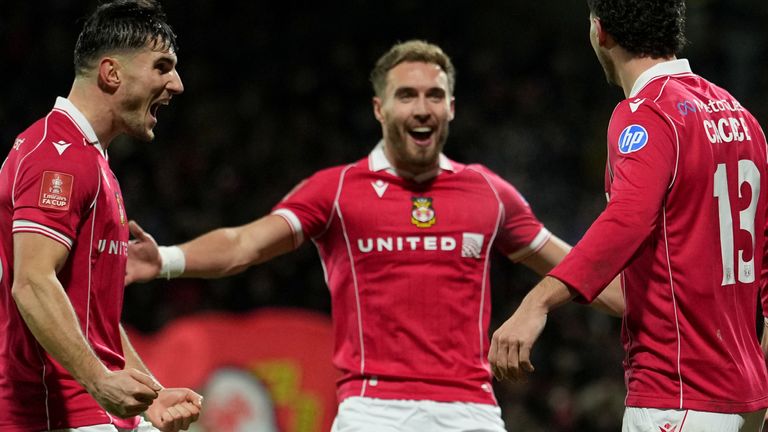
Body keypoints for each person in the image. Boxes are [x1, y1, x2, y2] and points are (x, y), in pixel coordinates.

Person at [125, 39, 623, 431]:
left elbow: (583, 271)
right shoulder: (338, 190)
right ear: (380, 108)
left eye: (434, 96)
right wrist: (164, 259)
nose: (422, 108)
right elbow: (243, 245)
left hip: (470, 410)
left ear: (451, 107)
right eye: (407, 95)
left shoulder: (489, 193)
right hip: (373, 409)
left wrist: (658, 303)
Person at [488, 1, 768, 431]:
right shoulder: (742, 117)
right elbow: (631, 290)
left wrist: (536, 303)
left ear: (600, 32)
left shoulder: (647, 114)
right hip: (747, 400)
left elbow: (627, 220)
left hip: (678, 393)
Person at [0, 1, 202, 431]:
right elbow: (32, 283)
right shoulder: (58, 157)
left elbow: (92, 316)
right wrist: (97, 379)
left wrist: (151, 395)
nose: (177, 84)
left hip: (86, 405)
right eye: (162, 67)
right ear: (111, 73)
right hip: (55, 410)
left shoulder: (89, 159)